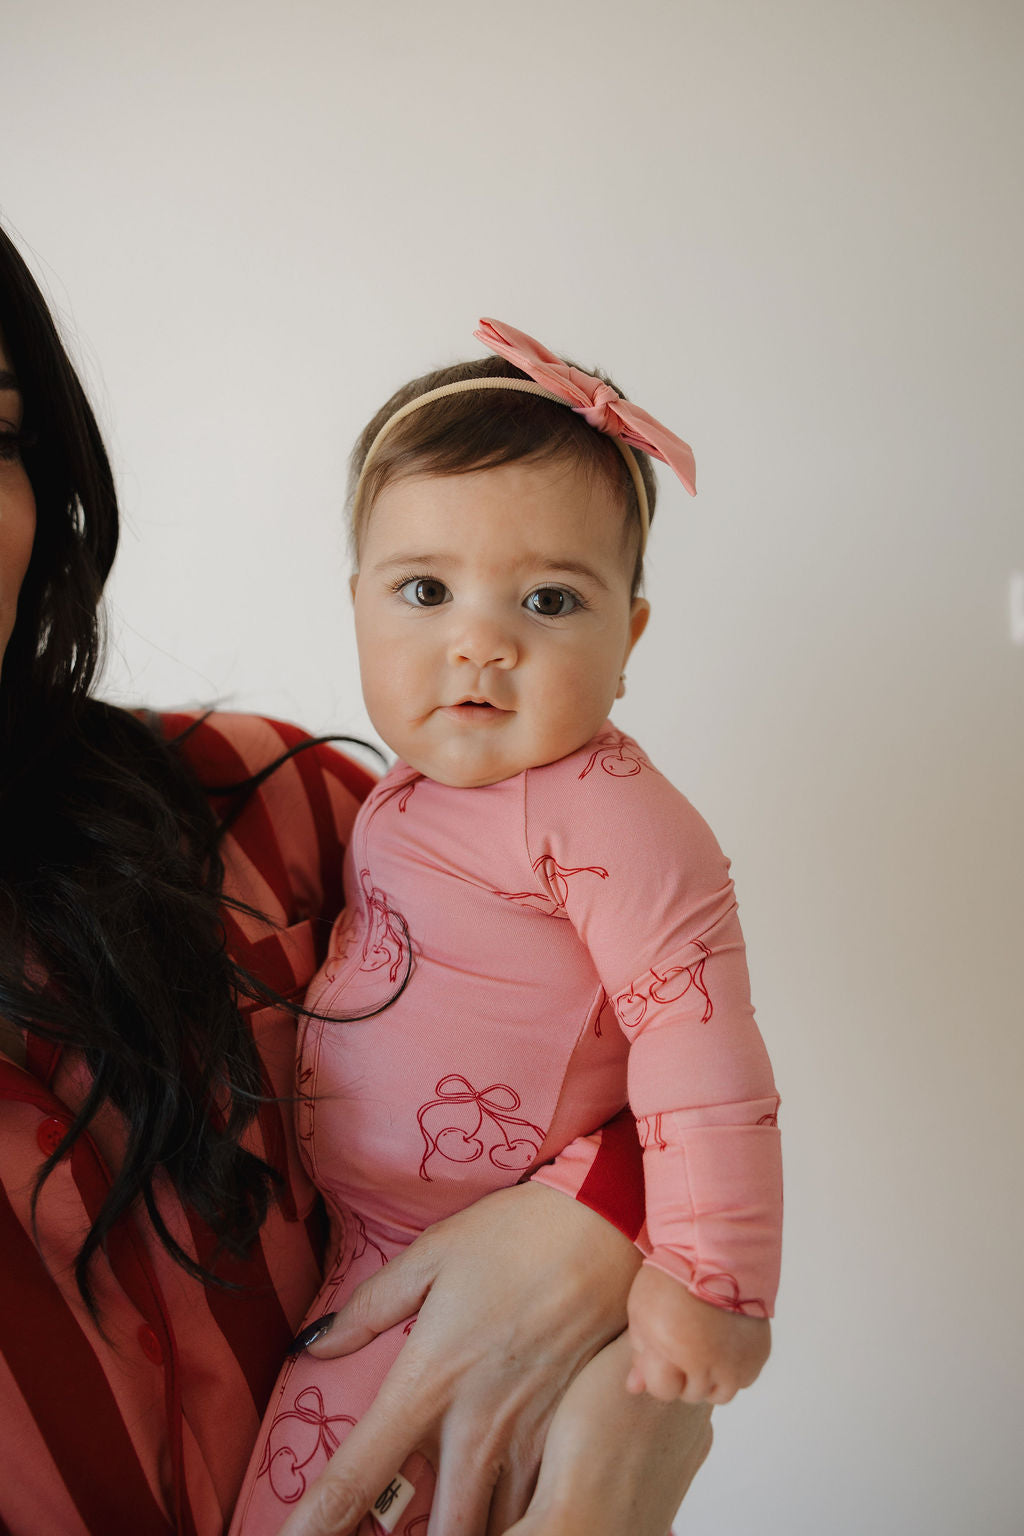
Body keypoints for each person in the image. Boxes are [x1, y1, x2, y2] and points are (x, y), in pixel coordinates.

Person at [0, 226, 714, 1536]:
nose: (480, 648)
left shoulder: (292, 810)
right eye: (426, 589)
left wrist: (603, 1232)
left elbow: (674, 1062)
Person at [231, 322, 782, 1536]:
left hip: (492, 1256)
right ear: (357, 605)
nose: (480, 642)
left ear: (629, 638)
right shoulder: (398, 788)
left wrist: (714, 1281)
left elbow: (698, 1042)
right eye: (425, 591)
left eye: (548, 599)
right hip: (372, 1248)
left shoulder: (608, 813)